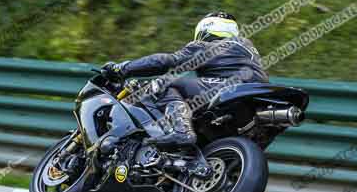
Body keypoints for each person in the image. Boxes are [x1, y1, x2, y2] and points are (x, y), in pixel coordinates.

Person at [101, 11, 268, 149]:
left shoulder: (207, 46)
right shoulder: (247, 48)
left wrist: (123, 68)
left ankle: (181, 131)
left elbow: (165, 62)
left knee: (164, 83)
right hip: (256, 104)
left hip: (230, 89)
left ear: (204, 30)